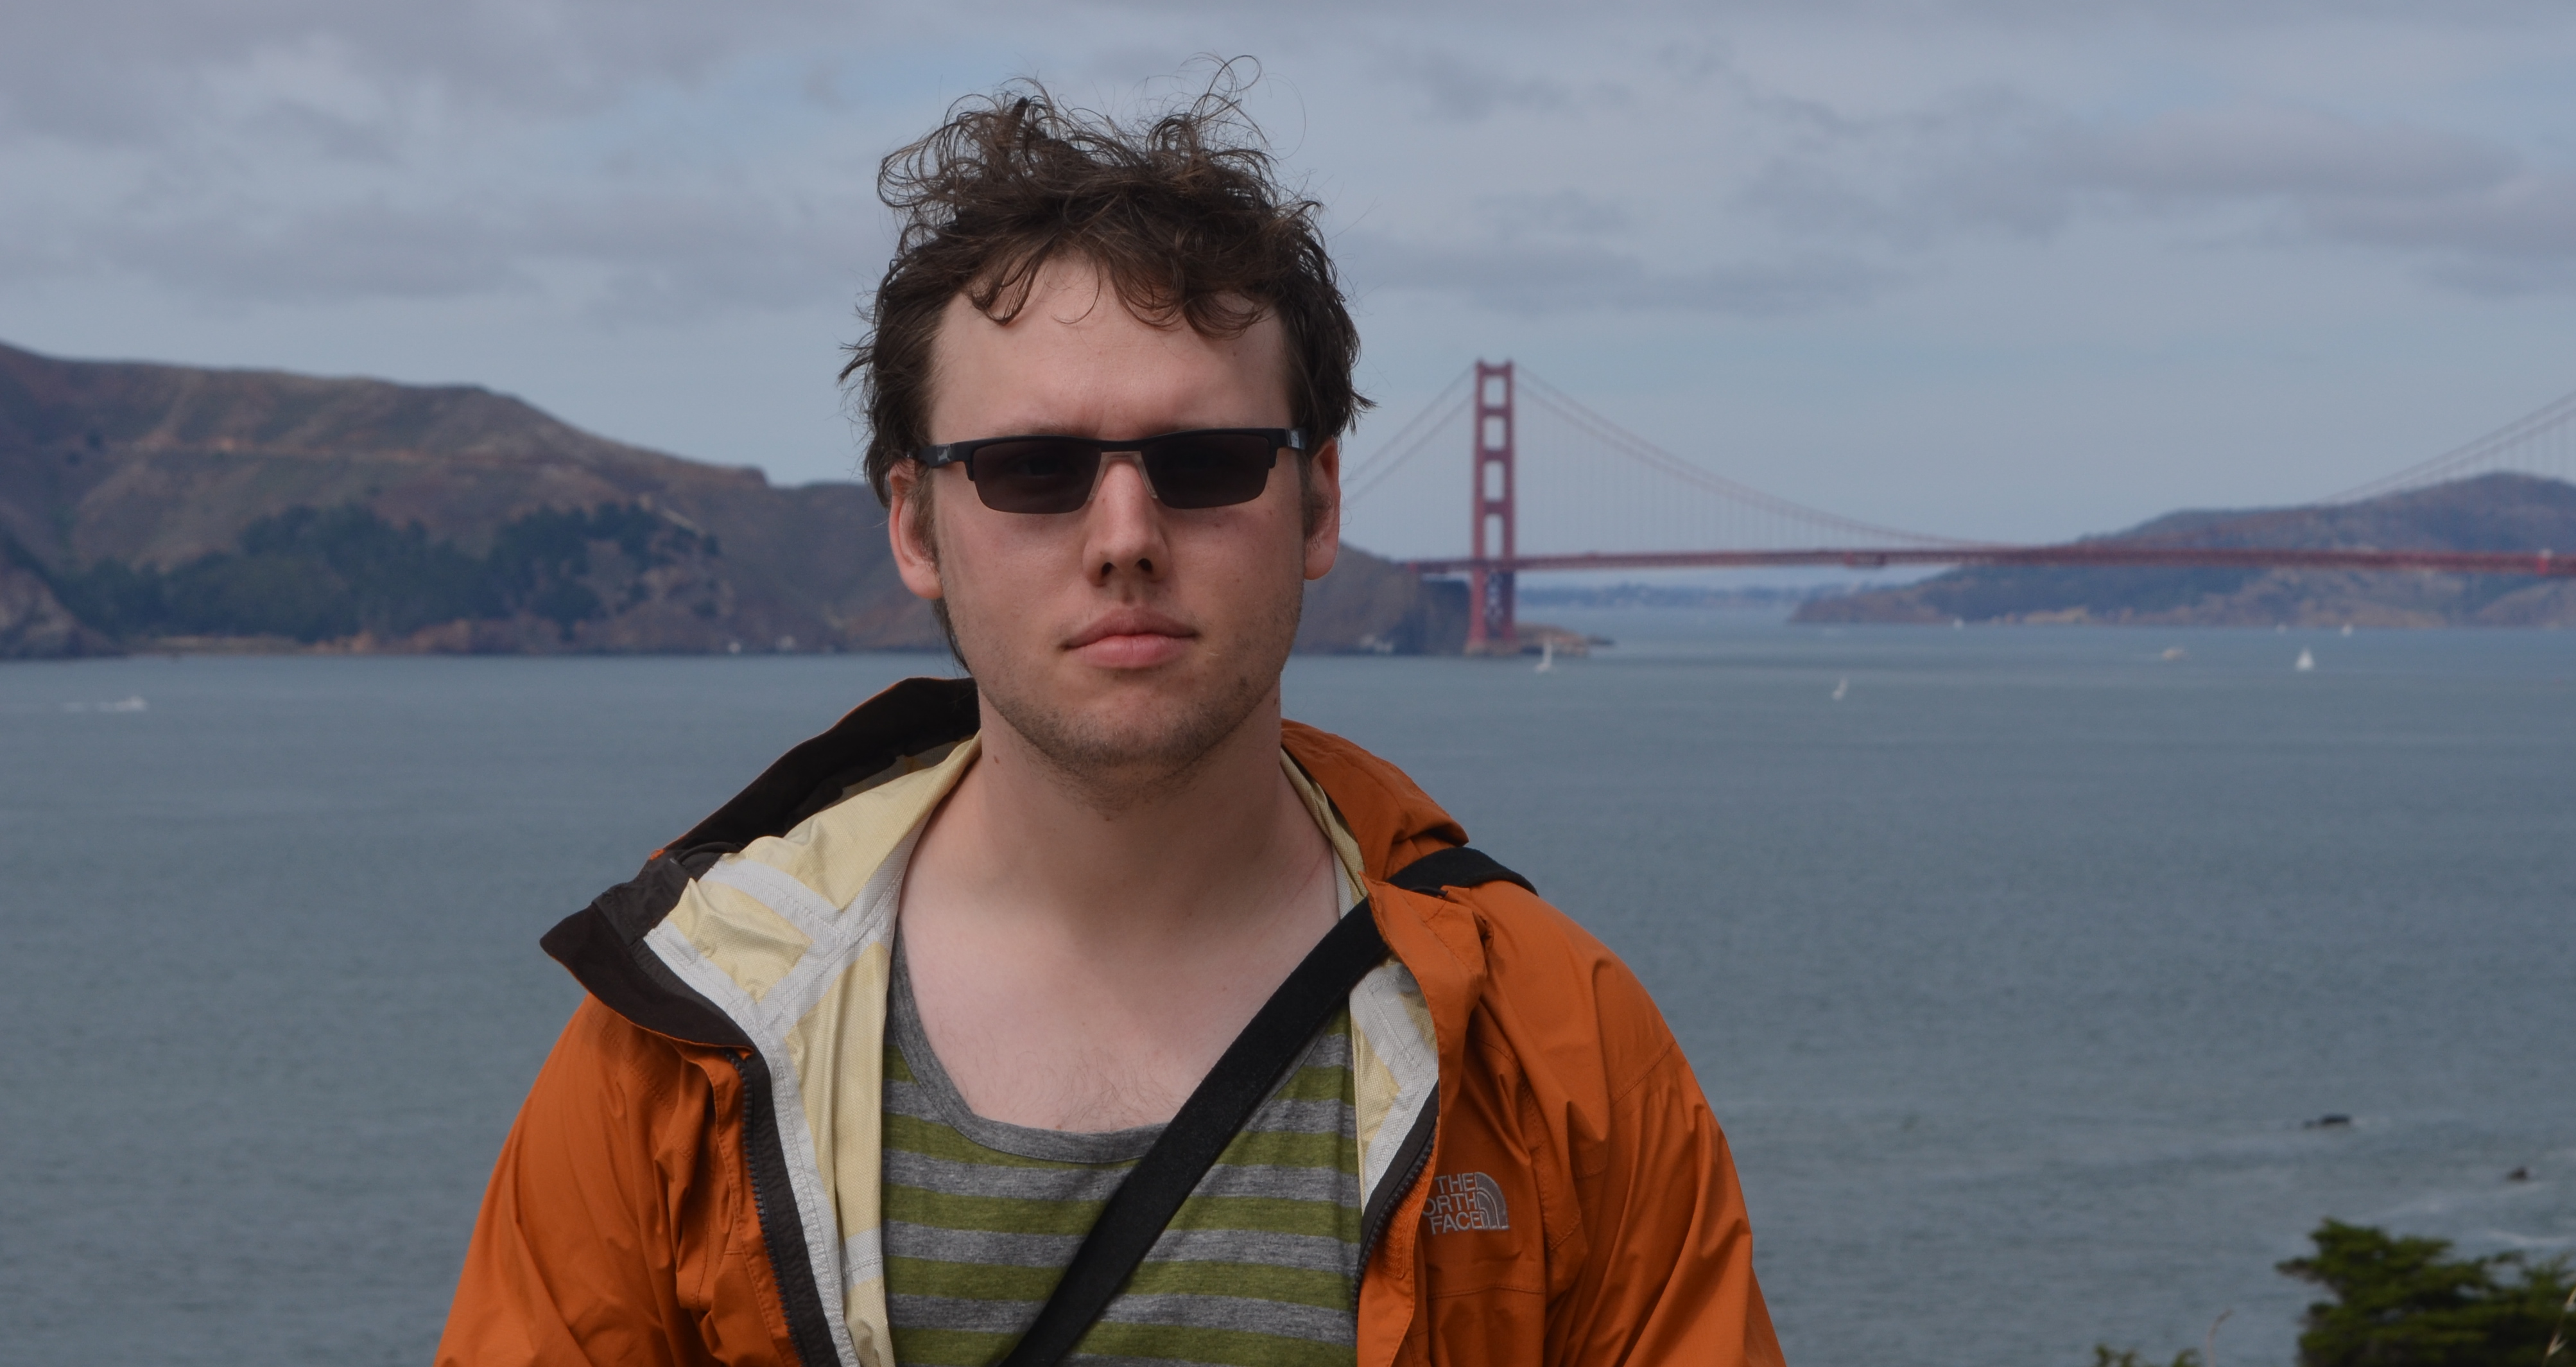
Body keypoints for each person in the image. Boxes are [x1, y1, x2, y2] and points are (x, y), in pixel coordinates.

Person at [437, 83, 1783, 1367]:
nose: (1126, 536)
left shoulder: (1557, 1044)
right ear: (916, 528)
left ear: (1318, 507)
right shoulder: (677, 1049)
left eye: (1207, 463)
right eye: (1034, 469)